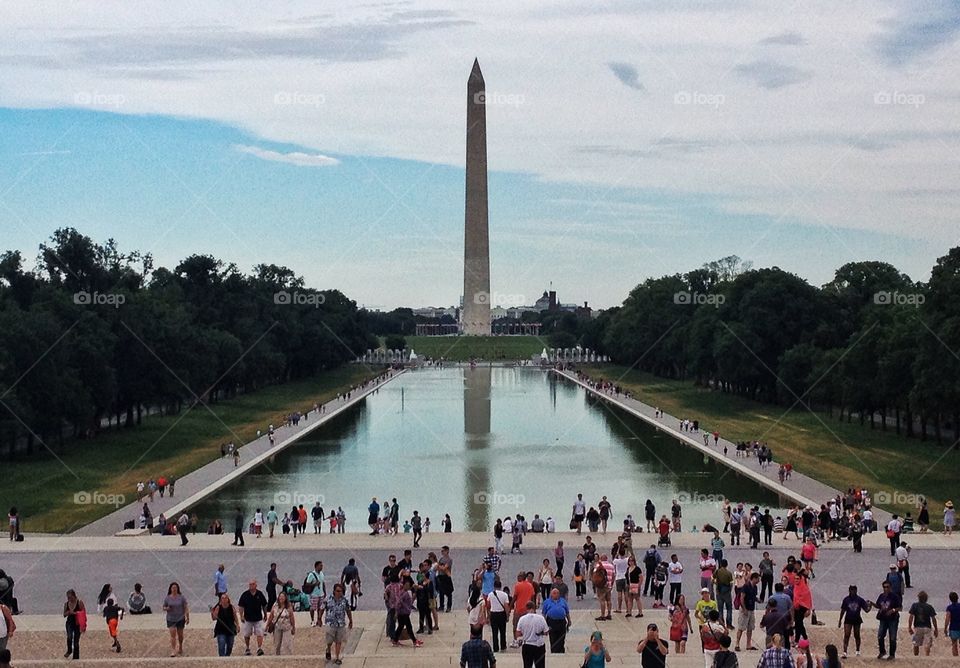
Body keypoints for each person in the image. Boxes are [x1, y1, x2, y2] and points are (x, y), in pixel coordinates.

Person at [324, 583, 353, 664]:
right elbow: (322, 608)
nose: (339, 593)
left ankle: (337, 657)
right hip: (330, 623)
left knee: (338, 641)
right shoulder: (328, 599)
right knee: (329, 641)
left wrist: (351, 620)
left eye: (341, 591)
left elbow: (348, 610)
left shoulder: (344, 600)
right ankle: (328, 649)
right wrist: (319, 618)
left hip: (340, 624)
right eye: (338, 591)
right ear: (334, 591)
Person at [237, 579, 268, 656]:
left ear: (256, 585)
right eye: (250, 584)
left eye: (253, 584)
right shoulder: (245, 594)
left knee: (260, 633)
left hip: (258, 618)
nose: (251, 586)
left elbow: (264, 605)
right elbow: (241, 606)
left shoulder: (260, 594)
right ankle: (247, 648)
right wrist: (241, 616)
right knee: (247, 634)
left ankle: (259, 648)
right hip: (248, 618)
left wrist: (265, 614)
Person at [515, 601, 548, 668]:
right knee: (540, 665)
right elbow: (546, 632)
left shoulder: (522, 619)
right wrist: (541, 633)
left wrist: (520, 640)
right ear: (534, 608)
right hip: (539, 646)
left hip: (527, 645)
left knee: (527, 665)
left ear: (526, 608)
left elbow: (518, 633)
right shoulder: (541, 618)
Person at [875, 580, 902, 660]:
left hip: (893, 619)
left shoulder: (895, 596)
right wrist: (872, 604)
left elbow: (900, 607)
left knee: (892, 637)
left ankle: (892, 654)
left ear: (890, 587)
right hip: (883, 618)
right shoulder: (881, 596)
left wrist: (892, 610)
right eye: (884, 587)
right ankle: (882, 651)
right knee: (880, 636)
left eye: (887, 587)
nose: (886, 588)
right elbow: (878, 605)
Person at [391, 578, 422, 647]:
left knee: (403, 626)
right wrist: (396, 612)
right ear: (404, 585)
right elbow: (399, 603)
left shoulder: (405, 592)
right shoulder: (404, 593)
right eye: (406, 585)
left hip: (405, 612)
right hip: (403, 613)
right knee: (406, 627)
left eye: (408, 585)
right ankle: (414, 641)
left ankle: (395, 639)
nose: (407, 586)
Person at [907, 590, 937, 657]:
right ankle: (927, 655)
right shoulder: (929, 607)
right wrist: (936, 629)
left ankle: (916, 656)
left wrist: (909, 627)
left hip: (917, 627)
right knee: (927, 643)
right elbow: (933, 618)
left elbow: (911, 617)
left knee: (916, 643)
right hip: (927, 627)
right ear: (926, 598)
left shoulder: (914, 605)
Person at [735, 572, 760, 651]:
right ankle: (737, 644)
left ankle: (748, 644)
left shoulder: (755, 587)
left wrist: (757, 600)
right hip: (745, 609)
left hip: (751, 609)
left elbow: (753, 596)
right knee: (741, 627)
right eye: (758, 578)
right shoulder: (746, 586)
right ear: (754, 578)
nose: (759, 580)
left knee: (750, 627)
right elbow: (742, 598)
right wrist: (744, 609)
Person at [162, 582, 189, 658]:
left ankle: (180, 646)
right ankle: (173, 650)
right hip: (171, 619)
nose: (174, 589)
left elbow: (185, 607)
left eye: (175, 588)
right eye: (173, 588)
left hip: (180, 618)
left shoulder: (181, 597)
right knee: (173, 635)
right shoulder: (167, 598)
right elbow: (163, 607)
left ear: (178, 589)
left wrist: (187, 617)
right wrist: (167, 608)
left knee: (180, 635)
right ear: (170, 589)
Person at [541, 587, 570, 653]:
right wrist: (544, 625)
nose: (556, 594)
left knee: (561, 639)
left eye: (557, 593)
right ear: (551, 594)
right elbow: (544, 613)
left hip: (561, 622)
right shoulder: (547, 602)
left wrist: (569, 621)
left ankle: (561, 651)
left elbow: (567, 611)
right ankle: (554, 652)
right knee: (553, 639)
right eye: (554, 593)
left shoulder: (563, 601)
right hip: (551, 622)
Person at [267, 590, 296, 655]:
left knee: (287, 642)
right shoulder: (275, 605)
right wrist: (267, 625)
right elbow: (271, 616)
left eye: (283, 597)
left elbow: (292, 617)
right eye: (280, 597)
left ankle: (288, 655)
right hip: (277, 626)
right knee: (277, 643)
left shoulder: (288, 606)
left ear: (285, 598)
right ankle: (277, 654)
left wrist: (293, 627)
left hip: (287, 626)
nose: (281, 598)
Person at [98, 584, 124, 653]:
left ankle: (117, 643)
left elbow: (103, 613)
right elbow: (121, 608)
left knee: (113, 633)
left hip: (110, 621)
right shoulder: (114, 607)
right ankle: (115, 642)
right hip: (115, 620)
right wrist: (121, 616)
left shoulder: (106, 607)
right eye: (110, 587)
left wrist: (104, 614)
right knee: (113, 632)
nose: (111, 588)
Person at [487, 581, 511, 653]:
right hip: (501, 614)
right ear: (500, 586)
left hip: (493, 614)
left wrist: (488, 615)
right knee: (503, 631)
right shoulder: (504, 595)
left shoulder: (490, 594)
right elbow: (506, 606)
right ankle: (503, 646)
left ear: (494, 586)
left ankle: (495, 647)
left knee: (495, 632)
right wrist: (507, 616)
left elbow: (488, 606)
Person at [63, 589, 85, 660]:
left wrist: (76, 613)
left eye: (70, 597)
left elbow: (83, 612)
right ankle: (69, 650)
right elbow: (64, 614)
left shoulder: (79, 602)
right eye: (68, 597)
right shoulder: (66, 604)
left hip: (77, 623)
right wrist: (69, 612)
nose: (69, 599)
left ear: (74, 596)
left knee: (76, 641)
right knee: (69, 637)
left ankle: (76, 657)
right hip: (69, 623)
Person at [305, 561, 326, 627]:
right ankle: (312, 620)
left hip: (321, 594)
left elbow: (323, 583)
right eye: (320, 566)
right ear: (316, 566)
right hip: (314, 594)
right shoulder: (311, 574)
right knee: (313, 608)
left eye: (322, 566)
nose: (322, 567)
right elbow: (307, 584)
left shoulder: (322, 573)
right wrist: (314, 584)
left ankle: (319, 619)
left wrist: (324, 591)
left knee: (321, 607)